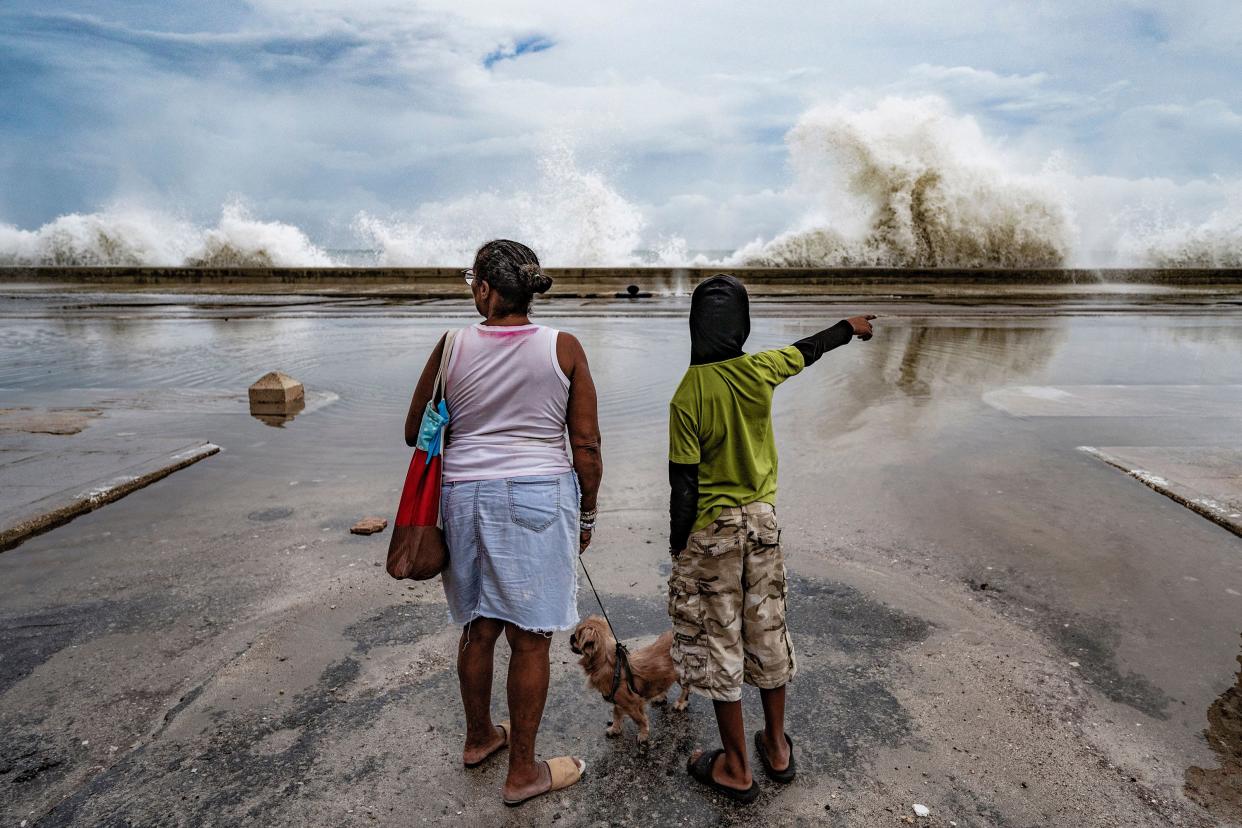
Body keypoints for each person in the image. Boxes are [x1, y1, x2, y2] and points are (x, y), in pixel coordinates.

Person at [404, 239, 602, 807]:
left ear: (487, 290)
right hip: (539, 498)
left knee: (479, 626)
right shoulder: (562, 347)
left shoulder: (451, 346)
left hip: (463, 498)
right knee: (531, 640)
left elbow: (415, 429)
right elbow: (584, 444)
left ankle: (478, 738)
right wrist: (586, 512)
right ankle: (522, 772)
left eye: (473, 280)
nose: (472, 289)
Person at [666, 274, 875, 803]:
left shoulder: (687, 394)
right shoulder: (759, 369)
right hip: (762, 524)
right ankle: (776, 747)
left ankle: (736, 767)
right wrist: (848, 328)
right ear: (741, 325)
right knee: (766, 628)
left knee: (720, 640)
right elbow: (807, 351)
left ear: (696, 326)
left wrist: (678, 547)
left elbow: (684, 483)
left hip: (712, 531)